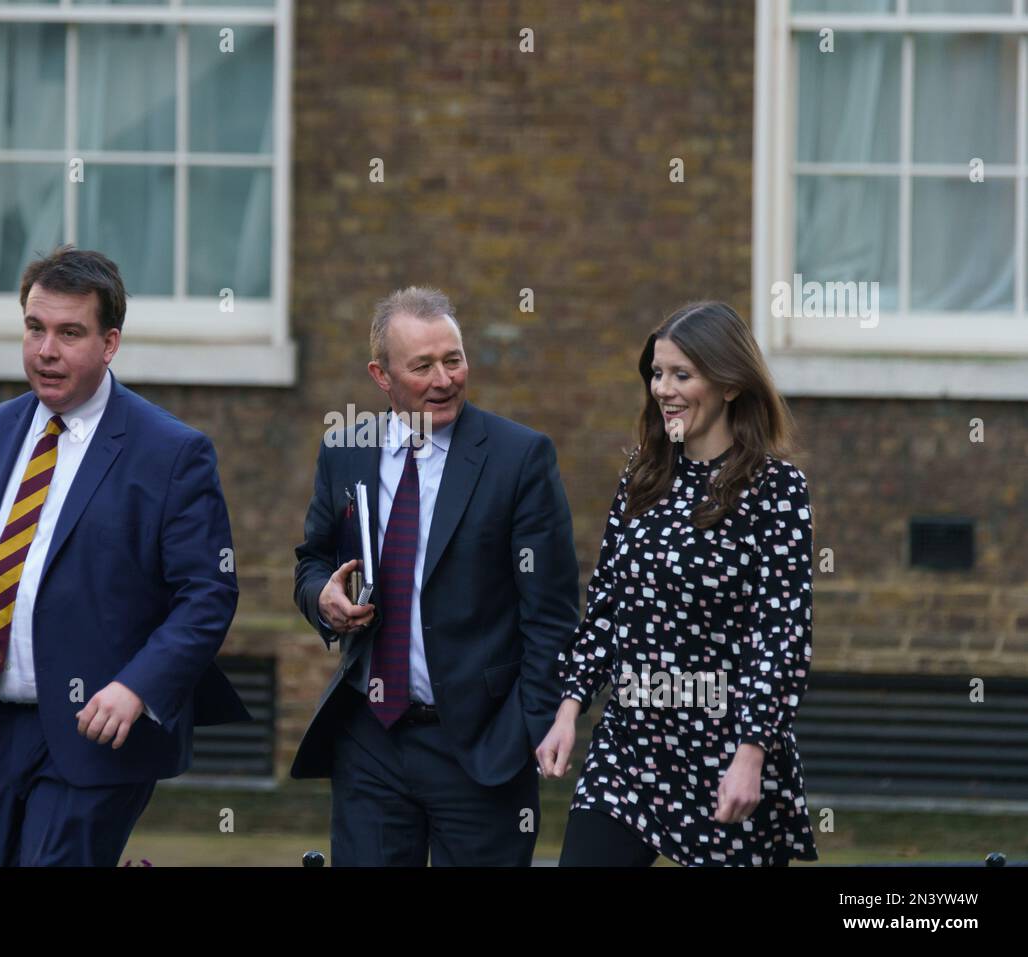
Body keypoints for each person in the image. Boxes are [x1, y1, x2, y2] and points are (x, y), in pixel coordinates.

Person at [0, 245, 248, 866]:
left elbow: (208, 594)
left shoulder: (171, 453)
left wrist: (136, 687)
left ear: (110, 343)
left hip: (95, 732)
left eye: (69, 333)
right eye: (35, 328)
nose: (46, 351)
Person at [290, 286, 580, 866]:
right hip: (369, 738)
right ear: (382, 375)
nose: (444, 379)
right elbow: (313, 559)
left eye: (454, 359)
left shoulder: (519, 458)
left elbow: (551, 612)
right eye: (422, 366)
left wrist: (530, 725)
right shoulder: (347, 450)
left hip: (480, 746)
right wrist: (323, 598)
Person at [538, 300, 819, 867]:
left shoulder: (776, 492)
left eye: (681, 375)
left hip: (726, 752)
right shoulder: (643, 477)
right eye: (657, 373)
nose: (663, 388)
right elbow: (607, 608)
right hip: (630, 749)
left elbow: (782, 635)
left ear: (730, 385)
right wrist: (569, 708)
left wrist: (752, 752)